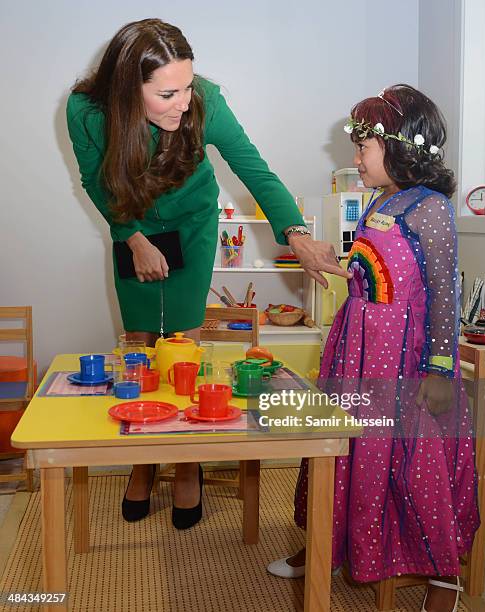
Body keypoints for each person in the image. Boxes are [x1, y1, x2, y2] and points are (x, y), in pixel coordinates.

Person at [66, 18, 347, 530]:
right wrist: (132, 237)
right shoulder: (86, 110)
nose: (183, 101)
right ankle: (144, 463)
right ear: (129, 89)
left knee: (183, 348)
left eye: (188, 85)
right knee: (141, 345)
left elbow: (252, 166)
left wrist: (297, 234)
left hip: (192, 222)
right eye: (167, 92)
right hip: (132, 223)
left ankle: (187, 462)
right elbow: (94, 180)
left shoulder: (206, 103)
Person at [267, 85, 480, 612]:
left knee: (413, 462)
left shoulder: (431, 208)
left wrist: (438, 370)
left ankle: (441, 573)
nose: (355, 157)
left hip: (403, 358)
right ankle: (331, 542)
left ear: (403, 146)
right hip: (358, 348)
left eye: (365, 146)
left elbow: (442, 293)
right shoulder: (382, 200)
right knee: (346, 448)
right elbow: (379, 275)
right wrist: (340, 269)